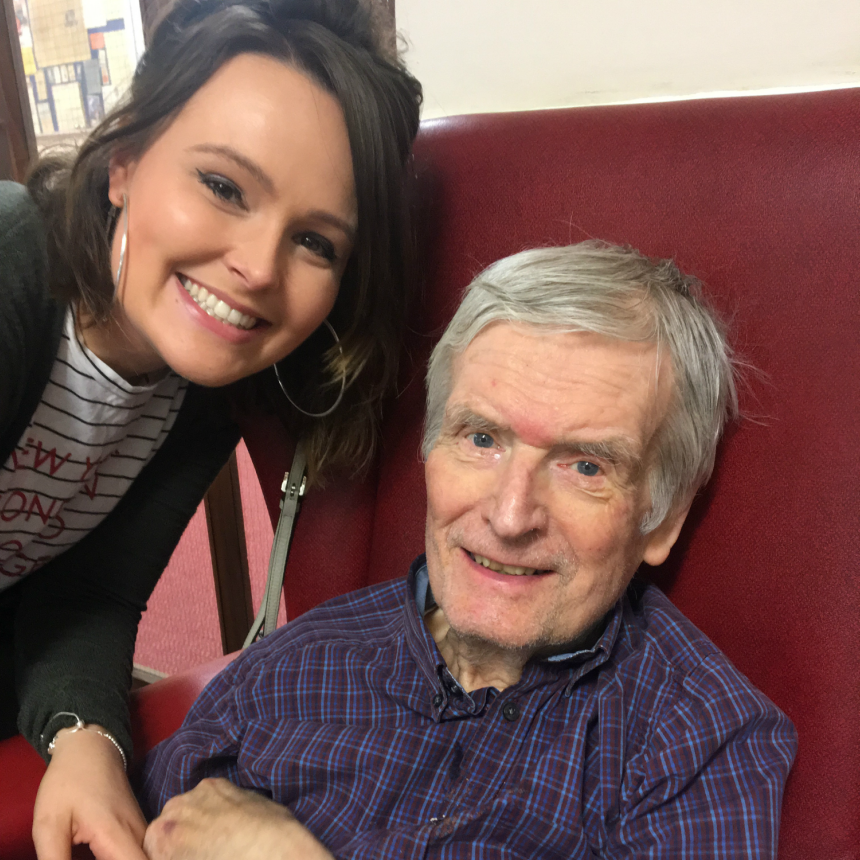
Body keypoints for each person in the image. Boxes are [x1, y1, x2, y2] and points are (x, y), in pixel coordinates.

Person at [138, 242, 798, 859]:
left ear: (662, 521)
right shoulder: (297, 665)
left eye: (585, 466)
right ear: (430, 452)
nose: (509, 517)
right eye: (482, 439)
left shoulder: (693, 741)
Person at [0, 0, 422, 858]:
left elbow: (91, 590)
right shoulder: (12, 262)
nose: (259, 269)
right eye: (223, 187)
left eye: (315, 242)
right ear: (123, 163)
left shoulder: (205, 389)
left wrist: (85, 735)